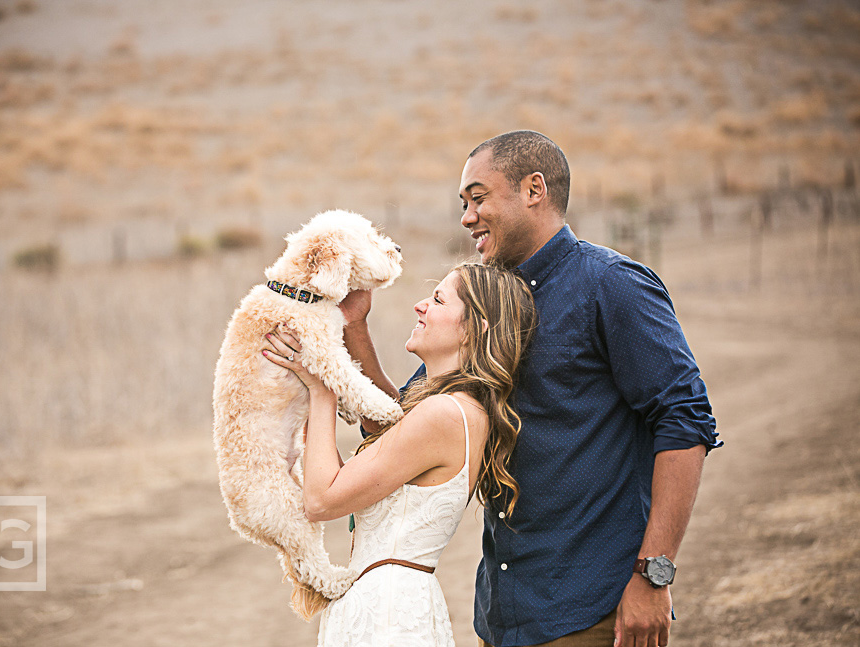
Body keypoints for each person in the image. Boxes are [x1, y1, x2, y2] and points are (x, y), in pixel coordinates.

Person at [340, 131, 722, 647]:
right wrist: (354, 329)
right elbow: (399, 426)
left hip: (589, 611)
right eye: (464, 203)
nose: (467, 217)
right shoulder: (483, 301)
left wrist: (653, 575)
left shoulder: (611, 284)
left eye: (478, 198)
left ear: (534, 189)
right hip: (500, 615)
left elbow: (685, 419)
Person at [263, 262, 537, 647]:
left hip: (388, 617)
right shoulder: (454, 408)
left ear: (475, 328)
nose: (420, 305)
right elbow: (371, 441)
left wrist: (322, 387)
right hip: (382, 604)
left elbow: (321, 499)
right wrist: (347, 330)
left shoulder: (444, 414)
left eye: (439, 300)